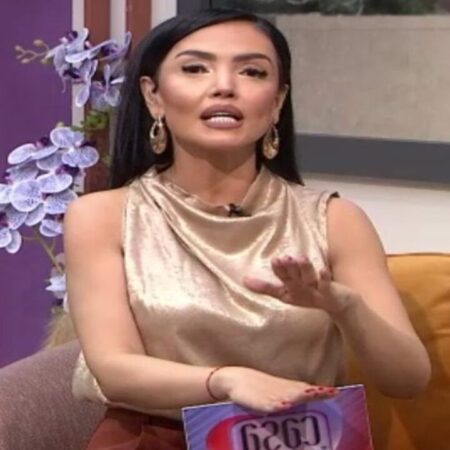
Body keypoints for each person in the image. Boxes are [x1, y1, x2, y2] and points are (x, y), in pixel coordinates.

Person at [65, 8, 431, 450]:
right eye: (195, 69)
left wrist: (345, 308)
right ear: (153, 96)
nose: (225, 86)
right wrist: (227, 381)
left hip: (301, 436)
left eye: (252, 72)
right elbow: (113, 368)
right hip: (156, 438)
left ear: (276, 102)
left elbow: (408, 380)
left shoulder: (336, 220)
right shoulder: (102, 216)